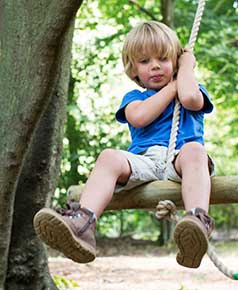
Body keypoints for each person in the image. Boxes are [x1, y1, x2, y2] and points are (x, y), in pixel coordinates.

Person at [33, 20, 215, 269]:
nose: (155, 66)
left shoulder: (190, 88)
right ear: (134, 70)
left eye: (163, 58)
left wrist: (186, 70)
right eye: (145, 61)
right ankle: (83, 224)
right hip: (145, 161)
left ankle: (196, 222)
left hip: (181, 160)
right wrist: (173, 85)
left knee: (196, 151)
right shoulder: (134, 99)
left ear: (176, 61)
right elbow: (140, 118)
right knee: (109, 156)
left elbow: (191, 98)